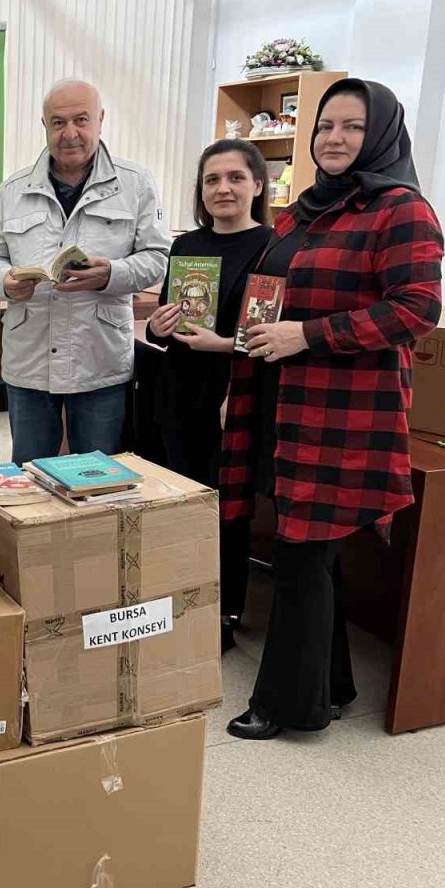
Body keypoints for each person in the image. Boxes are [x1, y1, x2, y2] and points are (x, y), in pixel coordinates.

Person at [221, 79, 444, 740]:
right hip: (280, 406)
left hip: (342, 416)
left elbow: (416, 312)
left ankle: (289, 709)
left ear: (379, 134)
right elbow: (268, 297)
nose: (335, 139)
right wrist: (240, 349)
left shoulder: (401, 210)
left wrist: (307, 335)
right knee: (310, 554)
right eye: (325, 127)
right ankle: (335, 684)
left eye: (351, 126)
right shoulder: (301, 211)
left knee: (301, 555)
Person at [0, 79, 170, 464]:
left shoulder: (135, 184)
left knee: (97, 478)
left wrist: (111, 274)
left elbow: (158, 257)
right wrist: (5, 282)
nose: (70, 134)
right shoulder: (12, 190)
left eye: (81, 120)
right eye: (58, 122)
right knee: (28, 478)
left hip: (99, 359)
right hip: (29, 362)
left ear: (100, 120)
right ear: (44, 126)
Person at [146, 139, 272, 651]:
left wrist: (223, 345)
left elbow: (269, 332)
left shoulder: (273, 245)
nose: (223, 188)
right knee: (181, 495)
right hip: (180, 386)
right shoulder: (186, 247)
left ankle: (223, 613)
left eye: (235, 178)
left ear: (257, 186)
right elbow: (163, 321)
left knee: (226, 506)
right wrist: (157, 324)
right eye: (212, 179)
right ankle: (180, 598)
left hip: (232, 391)